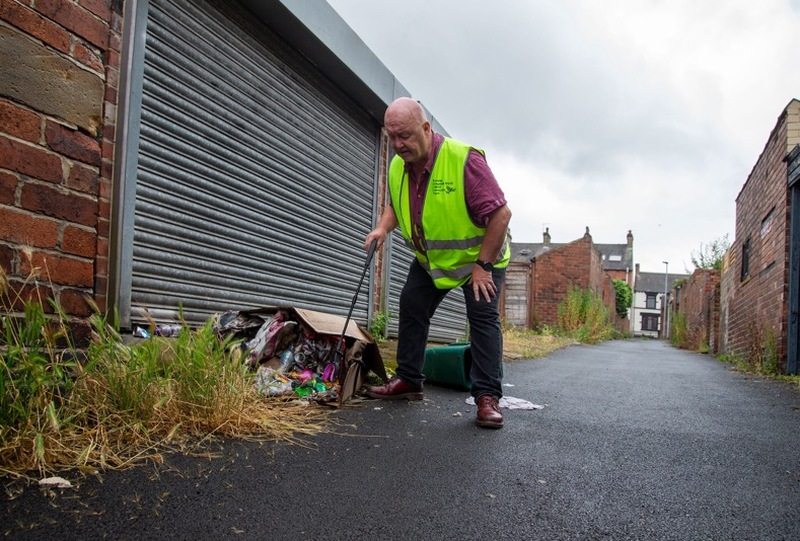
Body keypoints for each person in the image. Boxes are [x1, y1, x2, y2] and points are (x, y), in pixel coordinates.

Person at [363, 97, 512, 429]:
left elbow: (501, 214)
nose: (399, 145)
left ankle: (487, 397)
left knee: (483, 317)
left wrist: (483, 266)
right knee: (412, 305)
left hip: (480, 258)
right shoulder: (398, 165)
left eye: (405, 136)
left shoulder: (463, 161)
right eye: (392, 137)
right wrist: (382, 228)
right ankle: (409, 380)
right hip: (434, 261)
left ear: (426, 128)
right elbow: (394, 205)